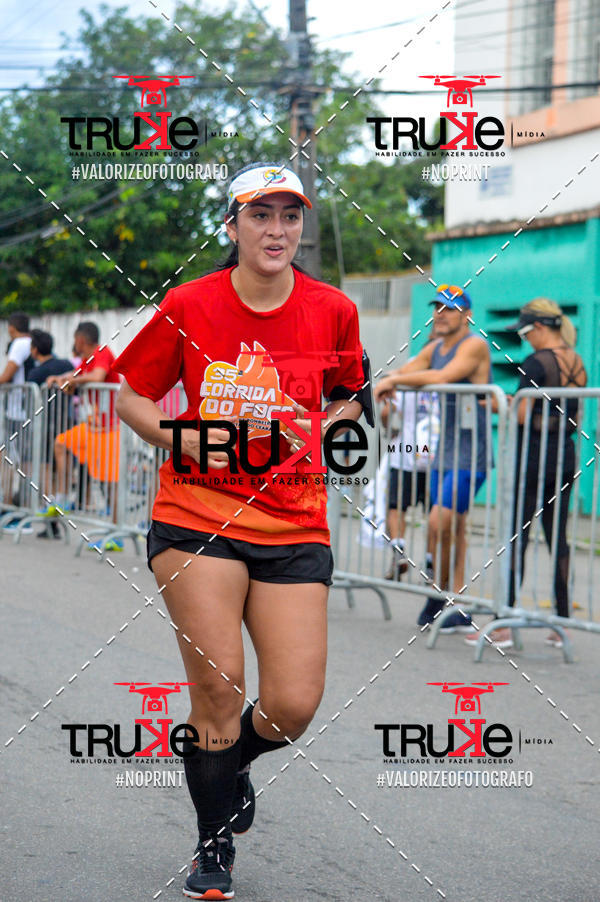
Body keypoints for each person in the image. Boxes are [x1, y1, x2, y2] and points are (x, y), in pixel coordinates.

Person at [114, 162, 368, 900]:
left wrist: (323, 428)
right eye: (260, 215)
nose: (276, 230)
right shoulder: (190, 303)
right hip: (197, 515)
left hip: (294, 519)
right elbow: (132, 397)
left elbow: (350, 395)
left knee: (292, 705)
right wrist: (186, 438)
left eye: (290, 216)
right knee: (220, 688)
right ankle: (213, 841)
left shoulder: (333, 310)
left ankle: (229, 765)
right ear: (232, 226)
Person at [466, 298, 587, 650]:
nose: (525, 339)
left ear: (540, 328)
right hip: (564, 456)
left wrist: (501, 404)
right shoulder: (576, 361)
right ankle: (561, 623)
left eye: (525, 332)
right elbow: (568, 412)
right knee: (557, 538)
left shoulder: (536, 362)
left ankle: (502, 624)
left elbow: (522, 413)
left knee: (516, 536)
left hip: (533, 458)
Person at [374, 284, 492, 632]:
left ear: (467, 315)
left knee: (440, 523)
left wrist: (391, 382)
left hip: (471, 452)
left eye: (450, 309)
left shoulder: (474, 345)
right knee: (452, 529)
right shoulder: (434, 347)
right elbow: (408, 370)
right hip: (444, 449)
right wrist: (391, 379)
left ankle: (441, 596)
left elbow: (441, 377)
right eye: (437, 307)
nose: (441, 314)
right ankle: (453, 601)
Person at [43, 322, 120, 520]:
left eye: (74, 339)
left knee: (111, 481)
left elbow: (97, 376)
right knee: (61, 443)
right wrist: (59, 378)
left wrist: (71, 381)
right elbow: (74, 375)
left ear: (80, 340)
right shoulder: (87, 359)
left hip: (110, 428)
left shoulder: (102, 352)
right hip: (94, 427)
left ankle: (117, 529)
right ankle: (61, 499)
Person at [380, 386, 440, 580]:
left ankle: (398, 552)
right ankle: (430, 564)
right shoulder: (443, 379)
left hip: (404, 456)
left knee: (396, 508)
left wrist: (389, 429)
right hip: (436, 457)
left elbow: (386, 412)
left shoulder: (406, 383)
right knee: (433, 513)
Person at [28, 330, 73, 535]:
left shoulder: (36, 374)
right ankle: (57, 511)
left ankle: (51, 517)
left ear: (35, 350)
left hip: (45, 424)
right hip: (66, 422)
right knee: (59, 470)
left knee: (46, 468)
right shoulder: (66, 365)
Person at [0, 312, 32, 506]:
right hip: (27, 409)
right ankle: (21, 503)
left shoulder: (19, 344)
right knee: (24, 459)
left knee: (9, 458)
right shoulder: (32, 342)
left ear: (12, 327)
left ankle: (9, 503)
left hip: (17, 411)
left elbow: (7, 375)